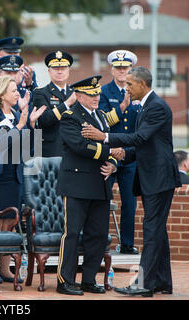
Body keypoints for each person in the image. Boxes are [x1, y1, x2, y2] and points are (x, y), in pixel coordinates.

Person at [82, 67, 182, 297]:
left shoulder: (156, 106)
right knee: (158, 231)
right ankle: (162, 282)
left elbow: (140, 137)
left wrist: (104, 137)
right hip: (152, 176)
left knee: (152, 230)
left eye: (130, 84)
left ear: (143, 85)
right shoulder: (146, 105)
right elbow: (143, 145)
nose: (126, 88)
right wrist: (124, 153)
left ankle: (144, 284)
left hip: (159, 178)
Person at [0, 75, 45, 284]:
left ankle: (6, 269)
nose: (18, 93)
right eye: (13, 90)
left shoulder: (17, 115)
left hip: (15, 174)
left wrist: (31, 125)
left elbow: (29, 149)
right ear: (1, 94)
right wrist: (20, 126)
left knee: (11, 221)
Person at [56, 75, 118, 296]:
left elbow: (113, 144)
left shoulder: (101, 116)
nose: (96, 98)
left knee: (97, 235)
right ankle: (65, 280)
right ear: (79, 96)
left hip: (100, 183)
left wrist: (112, 163)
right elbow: (80, 146)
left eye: (98, 94)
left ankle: (89, 280)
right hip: (77, 183)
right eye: (92, 95)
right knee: (72, 234)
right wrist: (110, 151)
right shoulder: (71, 117)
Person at [99, 50, 140, 254]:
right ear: (112, 69)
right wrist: (122, 107)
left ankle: (127, 243)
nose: (122, 71)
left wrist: (128, 150)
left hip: (129, 156)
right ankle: (100, 242)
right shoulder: (104, 92)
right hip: (108, 153)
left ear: (130, 69)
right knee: (102, 201)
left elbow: (140, 126)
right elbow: (102, 122)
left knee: (130, 203)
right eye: (118, 68)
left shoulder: (138, 92)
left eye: (125, 68)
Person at [33, 50, 76, 157]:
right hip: (51, 151)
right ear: (49, 71)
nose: (60, 72)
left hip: (73, 150)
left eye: (63, 69)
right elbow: (44, 120)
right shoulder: (40, 93)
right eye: (56, 69)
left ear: (69, 70)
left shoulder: (75, 93)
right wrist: (67, 103)